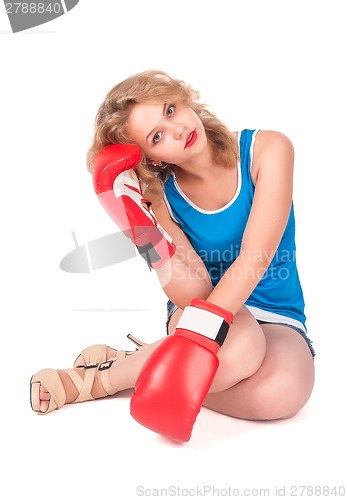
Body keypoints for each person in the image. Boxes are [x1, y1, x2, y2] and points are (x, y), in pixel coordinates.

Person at [30, 70, 315, 438]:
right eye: (158, 136)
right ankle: (98, 383)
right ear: (152, 157)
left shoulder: (268, 149)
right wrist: (149, 235)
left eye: (169, 109)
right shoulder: (163, 195)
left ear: (183, 97)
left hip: (276, 311)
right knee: (241, 347)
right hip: (200, 303)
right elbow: (191, 291)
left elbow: (255, 259)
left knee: (286, 393)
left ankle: (141, 365)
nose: (177, 129)